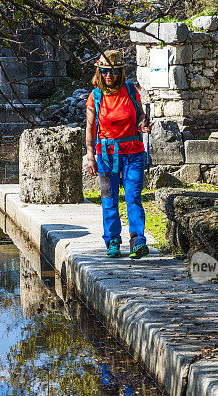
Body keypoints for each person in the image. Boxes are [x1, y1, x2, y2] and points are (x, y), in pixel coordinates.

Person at [85, 50, 151, 259]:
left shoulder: (131, 91)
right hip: (106, 155)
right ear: (99, 72)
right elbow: (90, 129)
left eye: (113, 72)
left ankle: (138, 241)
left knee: (133, 197)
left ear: (120, 72)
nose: (108, 76)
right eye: (104, 72)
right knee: (109, 198)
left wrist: (143, 124)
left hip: (133, 153)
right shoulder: (95, 97)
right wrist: (90, 156)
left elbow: (140, 114)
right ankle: (112, 241)